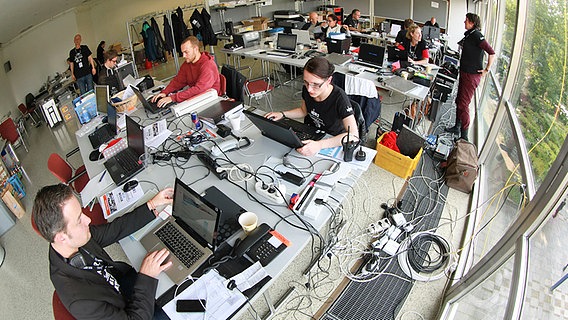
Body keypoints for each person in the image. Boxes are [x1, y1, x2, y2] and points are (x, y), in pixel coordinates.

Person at [32, 184, 174, 319]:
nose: (87, 220)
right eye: (78, 220)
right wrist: (147, 276)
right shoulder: (81, 301)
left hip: (124, 285)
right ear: (61, 238)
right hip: (130, 310)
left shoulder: (74, 240)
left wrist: (151, 204)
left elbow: (114, 230)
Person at [264, 57, 359, 156]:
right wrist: (282, 114)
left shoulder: (339, 98)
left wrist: (319, 145)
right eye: (306, 82)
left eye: (316, 84)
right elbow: (303, 111)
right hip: (312, 134)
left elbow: (353, 136)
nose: (309, 89)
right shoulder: (307, 88)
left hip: (332, 139)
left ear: (328, 80)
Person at [446, 13, 495, 140]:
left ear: (472, 22)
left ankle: (464, 136)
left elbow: (491, 52)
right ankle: (457, 126)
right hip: (464, 72)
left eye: (466, 20)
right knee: (459, 101)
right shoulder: (470, 34)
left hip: (471, 76)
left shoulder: (477, 35)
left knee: (463, 105)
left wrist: (486, 69)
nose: (464, 22)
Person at [151, 36, 220, 108]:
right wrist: (165, 92)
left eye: (186, 52)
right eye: (182, 52)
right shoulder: (187, 64)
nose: (183, 56)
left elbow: (199, 89)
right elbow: (178, 81)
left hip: (210, 100)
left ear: (196, 49)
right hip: (196, 97)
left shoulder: (208, 65)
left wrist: (173, 98)